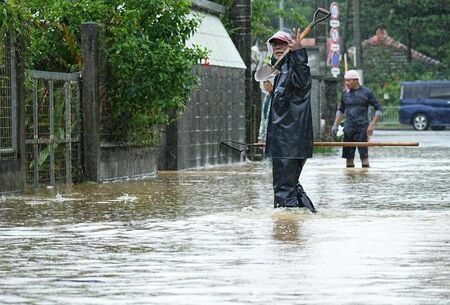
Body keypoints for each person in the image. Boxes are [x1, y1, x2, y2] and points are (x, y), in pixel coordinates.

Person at [262, 28, 316, 212]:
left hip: (289, 143)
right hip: (284, 142)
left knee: (284, 192)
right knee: (291, 188)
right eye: (274, 44)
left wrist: (299, 52)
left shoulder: (295, 67)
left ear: (290, 45)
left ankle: (286, 234)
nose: (277, 47)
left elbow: (302, 82)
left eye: (282, 43)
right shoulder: (280, 70)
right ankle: (309, 216)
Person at [331, 70, 383, 168]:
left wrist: (372, 125)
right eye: (345, 81)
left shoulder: (367, 92)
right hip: (349, 128)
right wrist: (335, 125)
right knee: (349, 158)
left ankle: (364, 179)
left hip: (363, 127)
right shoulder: (344, 94)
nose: (346, 83)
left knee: (364, 156)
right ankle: (350, 181)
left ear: (356, 81)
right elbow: (340, 110)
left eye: (349, 81)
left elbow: (379, 110)